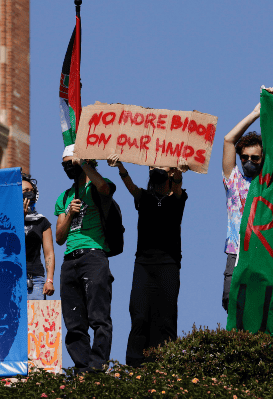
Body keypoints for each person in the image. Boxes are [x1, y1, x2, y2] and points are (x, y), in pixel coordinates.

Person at [108, 154, 188, 367]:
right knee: (139, 313)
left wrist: (179, 170)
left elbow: (178, 186)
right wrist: (120, 166)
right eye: (152, 167)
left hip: (168, 265)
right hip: (143, 264)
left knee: (166, 316)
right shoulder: (143, 198)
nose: (156, 170)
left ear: (170, 172)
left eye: (161, 167)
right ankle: (135, 363)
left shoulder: (178, 199)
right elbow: (130, 185)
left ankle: (165, 363)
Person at [55, 144, 116, 372]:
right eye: (65, 165)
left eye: (71, 163)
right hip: (70, 259)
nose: (69, 168)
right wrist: (69, 213)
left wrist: (83, 163)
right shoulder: (64, 197)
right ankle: (81, 368)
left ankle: (98, 364)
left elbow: (104, 187)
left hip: (93, 255)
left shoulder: (96, 186)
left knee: (99, 316)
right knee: (73, 320)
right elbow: (59, 237)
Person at [221, 87, 273, 311]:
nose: (249, 161)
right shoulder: (233, 182)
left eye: (255, 157)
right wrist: (255, 114)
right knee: (231, 302)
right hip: (236, 251)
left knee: (262, 306)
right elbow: (228, 140)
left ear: (263, 159)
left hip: (263, 253)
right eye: (245, 157)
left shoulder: (271, 186)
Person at [22, 173, 55, 300]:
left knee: (34, 318)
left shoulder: (42, 221)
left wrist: (49, 280)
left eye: (31, 191)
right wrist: (20, 218)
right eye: (25, 191)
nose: (29, 194)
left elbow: (49, 253)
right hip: (10, 277)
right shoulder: (6, 219)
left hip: (34, 280)